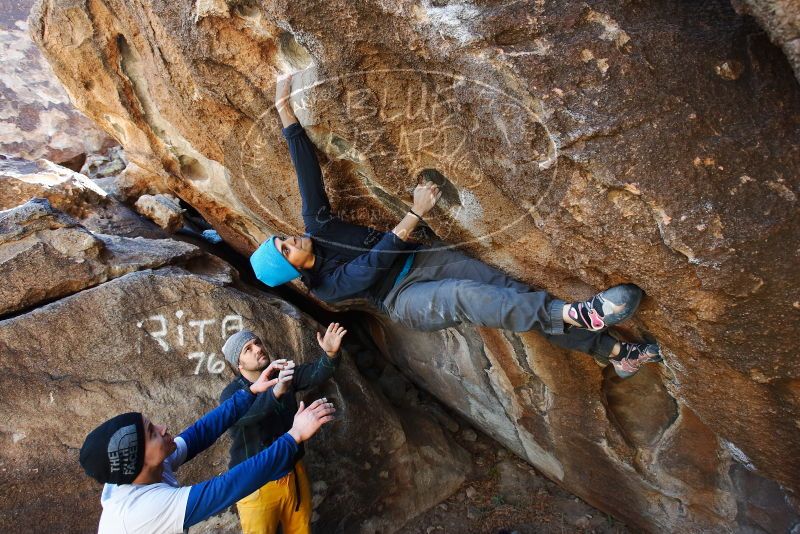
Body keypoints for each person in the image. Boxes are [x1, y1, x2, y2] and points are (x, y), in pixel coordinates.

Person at [250, 73, 661, 379]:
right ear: (295, 268)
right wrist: (415, 213)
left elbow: (306, 171)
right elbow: (371, 267)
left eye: (281, 239)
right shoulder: (326, 287)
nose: (291, 239)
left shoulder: (317, 226)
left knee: (514, 295)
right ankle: (581, 313)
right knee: (466, 296)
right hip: (404, 297)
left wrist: (285, 111)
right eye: (286, 249)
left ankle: (614, 352)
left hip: (426, 258)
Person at [78, 365, 335, 534]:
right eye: (152, 433)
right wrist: (294, 435)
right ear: (138, 461)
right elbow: (227, 487)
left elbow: (200, 433)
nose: (164, 428)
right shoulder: (141, 511)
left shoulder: (144, 469)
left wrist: (250, 392)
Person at [219, 323, 346, 534]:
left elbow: (317, 372)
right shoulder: (231, 394)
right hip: (254, 483)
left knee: (301, 529)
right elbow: (246, 416)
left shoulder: (283, 373)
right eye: (247, 349)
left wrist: (331, 354)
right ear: (238, 363)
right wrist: (276, 392)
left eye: (256, 343)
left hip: (292, 471)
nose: (257, 349)